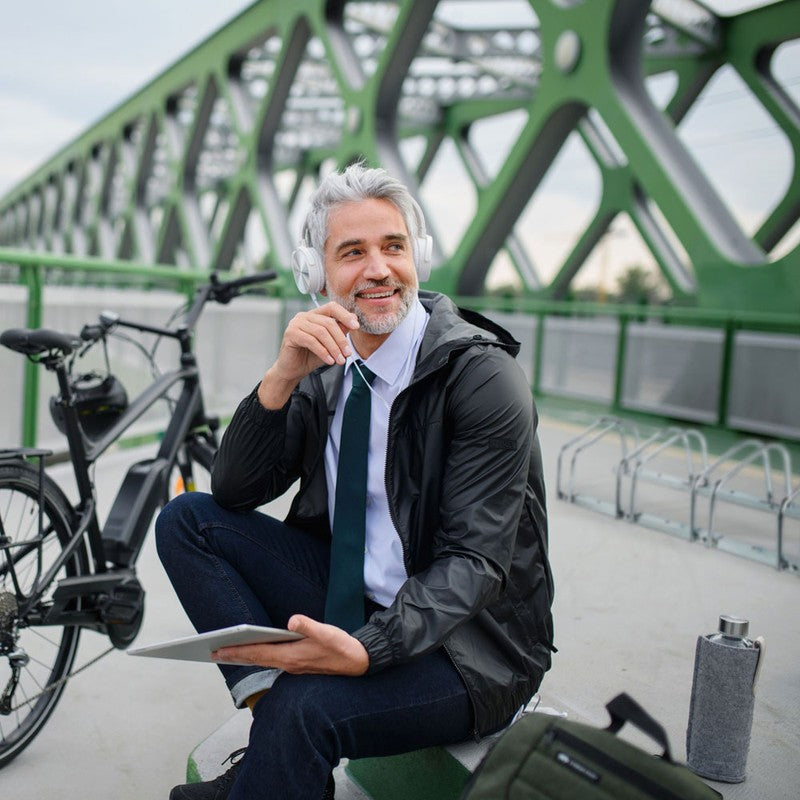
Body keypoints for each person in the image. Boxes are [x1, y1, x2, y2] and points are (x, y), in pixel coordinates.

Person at [155, 162, 554, 800]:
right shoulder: (325, 366)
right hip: (358, 597)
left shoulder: (481, 378)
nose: (378, 269)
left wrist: (369, 648)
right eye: (352, 252)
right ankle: (271, 746)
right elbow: (233, 491)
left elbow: (478, 562)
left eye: (393, 247)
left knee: (306, 708)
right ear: (318, 276)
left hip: (467, 647)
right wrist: (282, 376)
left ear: (416, 256)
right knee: (186, 520)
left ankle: (272, 756)